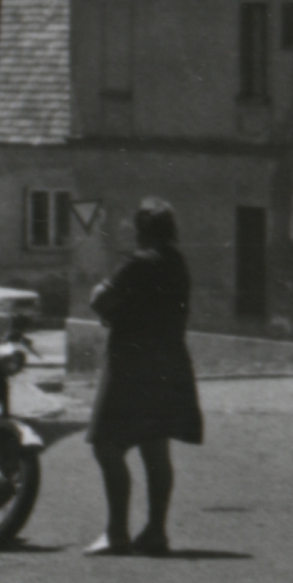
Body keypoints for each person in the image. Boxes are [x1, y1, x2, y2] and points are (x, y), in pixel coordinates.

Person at [86, 199, 203, 555]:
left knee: (106, 444)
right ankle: (155, 531)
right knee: (155, 447)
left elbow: (99, 301)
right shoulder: (177, 264)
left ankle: (116, 532)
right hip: (169, 362)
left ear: (141, 231)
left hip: (131, 364)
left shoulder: (136, 264)